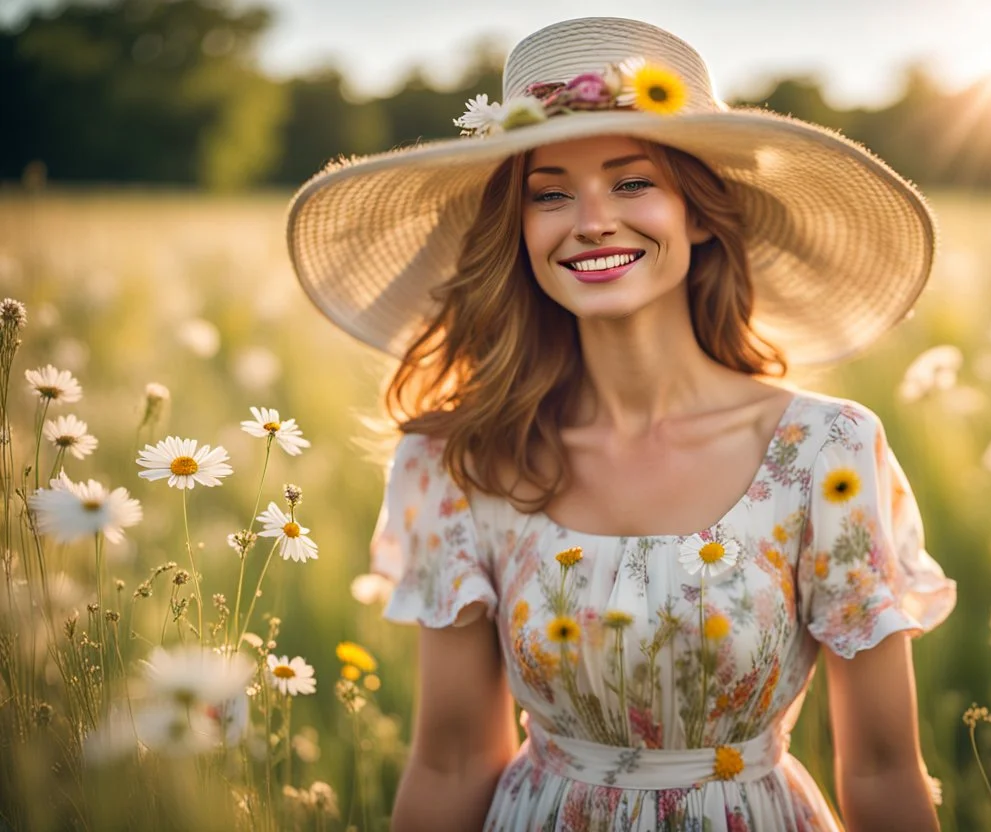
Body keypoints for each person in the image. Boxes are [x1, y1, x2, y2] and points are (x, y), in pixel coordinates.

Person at [286, 16, 956, 831]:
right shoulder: (459, 462)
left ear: (701, 214)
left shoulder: (826, 451)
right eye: (551, 193)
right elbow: (453, 758)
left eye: (633, 182)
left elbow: (884, 769)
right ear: (521, 229)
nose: (592, 220)